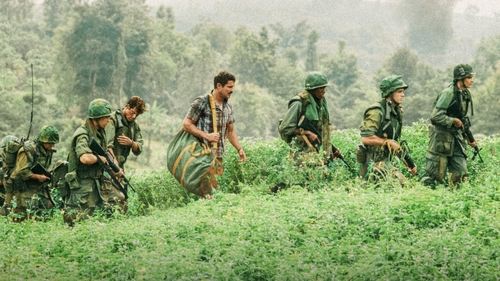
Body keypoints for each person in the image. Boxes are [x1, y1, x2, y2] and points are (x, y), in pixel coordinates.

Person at [182, 71, 246, 198]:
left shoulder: (228, 107)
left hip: (218, 156)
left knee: (215, 190)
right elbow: (186, 124)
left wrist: (239, 149)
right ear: (218, 86)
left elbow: (230, 131)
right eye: (229, 87)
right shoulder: (202, 102)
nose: (232, 90)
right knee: (207, 194)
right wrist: (206, 135)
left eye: (233, 87)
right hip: (201, 155)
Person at [63, 98, 125, 226]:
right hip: (83, 183)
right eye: (106, 118)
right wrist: (98, 158)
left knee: (118, 200)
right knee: (76, 220)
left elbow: (107, 151)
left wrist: (116, 170)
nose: (108, 120)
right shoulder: (83, 134)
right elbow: (84, 158)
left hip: (96, 181)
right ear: (96, 118)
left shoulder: (100, 132)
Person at [422, 64, 477, 186]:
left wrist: (470, 139)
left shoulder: (464, 94)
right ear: (460, 78)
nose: (471, 80)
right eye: (469, 77)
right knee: (434, 177)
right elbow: (435, 117)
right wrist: (452, 121)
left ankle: (455, 199)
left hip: (457, 139)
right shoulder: (448, 93)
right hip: (441, 140)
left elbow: (462, 119)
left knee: (460, 174)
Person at [357, 75, 417, 182]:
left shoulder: (396, 112)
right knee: (399, 183)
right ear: (390, 93)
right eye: (399, 91)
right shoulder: (377, 111)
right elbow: (366, 138)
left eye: (403, 91)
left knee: (404, 185)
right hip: (372, 162)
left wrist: (410, 164)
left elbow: (396, 143)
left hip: (385, 161)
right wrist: (386, 142)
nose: (403, 95)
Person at [278, 71, 340, 162]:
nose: (324, 91)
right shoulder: (299, 103)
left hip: (315, 151)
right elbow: (285, 129)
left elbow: (321, 130)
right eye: (320, 88)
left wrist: (330, 149)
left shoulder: (321, 103)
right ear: (313, 89)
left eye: (324, 88)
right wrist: (306, 133)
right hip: (301, 153)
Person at [9, 126, 59, 221]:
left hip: (36, 185)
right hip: (22, 185)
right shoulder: (28, 150)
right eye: (50, 143)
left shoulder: (47, 151)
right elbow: (21, 171)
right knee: (22, 214)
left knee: (47, 208)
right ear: (43, 141)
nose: (52, 145)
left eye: (53, 143)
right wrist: (37, 176)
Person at [106, 96, 146, 169]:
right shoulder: (112, 119)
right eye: (133, 112)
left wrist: (131, 143)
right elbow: (107, 146)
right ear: (127, 106)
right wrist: (115, 166)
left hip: (120, 165)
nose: (134, 116)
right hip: (107, 164)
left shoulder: (134, 126)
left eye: (136, 115)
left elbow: (139, 148)